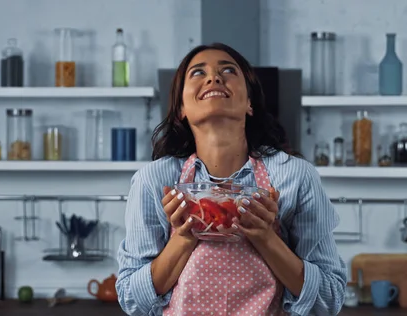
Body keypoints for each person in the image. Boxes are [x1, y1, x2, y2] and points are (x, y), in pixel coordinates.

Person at [116, 42, 347, 316]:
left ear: (249, 103)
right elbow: (132, 299)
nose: (214, 77)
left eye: (228, 70)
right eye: (198, 73)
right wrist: (183, 238)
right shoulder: (153, 180)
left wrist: (266, 239)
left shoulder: (295, 176)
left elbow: (329, 299)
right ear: (181, 108)